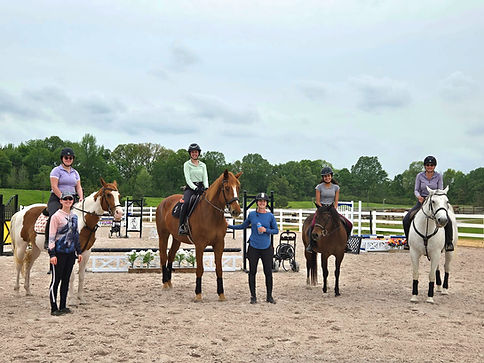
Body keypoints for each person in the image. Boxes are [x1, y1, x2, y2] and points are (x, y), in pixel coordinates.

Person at [227, 193, 279, 304]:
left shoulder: (270, 216)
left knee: (268, 272)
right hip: (254, 247)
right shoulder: (252, 215)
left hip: (266, 247)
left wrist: (266, 230)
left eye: (264, 201)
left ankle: (269, 296)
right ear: (257, 203)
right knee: (252, 272)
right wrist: (229, 226)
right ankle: (253, 296)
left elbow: (276, 230)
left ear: (266, 203)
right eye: (260, 201)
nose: (262, 203)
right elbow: (243, 226)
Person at [402, 156, 454, 251]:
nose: (430, 166)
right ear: (425, 166)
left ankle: (449, 243)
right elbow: (416, 190)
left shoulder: (438, 176)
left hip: (435, 201)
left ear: (434, 166)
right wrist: (419, 197)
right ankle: (407, 241)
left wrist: (436, 198)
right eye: (428, 165)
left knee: (448, 220)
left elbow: (440, 190)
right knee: (406, 219)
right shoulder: (419, 176)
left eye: (432, 165)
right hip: (422, 201)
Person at [48, 192, 82, 316]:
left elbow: (76, 235)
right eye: (65, 199)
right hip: (59, 252)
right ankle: (53, 307)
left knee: (66, 280)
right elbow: (51, 237)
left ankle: (63, 305)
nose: (68, 201)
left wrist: (79, 251)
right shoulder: (56, 217)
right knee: (56, 280)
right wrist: (52, 254)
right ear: (61, 201)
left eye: (70, 199)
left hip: (70, 253)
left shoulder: (74, 217)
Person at [306, 166, 353, 253]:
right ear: (323, 177)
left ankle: (346, 243)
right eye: (325, 176)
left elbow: (336, 201)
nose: (327, 178)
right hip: (321, 209)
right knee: (312, 225)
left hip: (331, 209)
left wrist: (334, 209)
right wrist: (322, 209)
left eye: (328, 176)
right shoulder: (319, 187)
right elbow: (318, 201)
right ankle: (311, 245)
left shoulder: (336, 187)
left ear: (331, 176)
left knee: (349, 224)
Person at [44, 147, 83, 249]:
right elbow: (54, 186)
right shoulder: (56, 170)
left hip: (71, 199)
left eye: (70, 158)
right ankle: (48, 240)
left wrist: (81, 198)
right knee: (53, 216)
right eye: (66, 157)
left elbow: (78, 187)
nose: (68, 159)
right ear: (62, 158)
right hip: (57, 198)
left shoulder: (75, 173)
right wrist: (62, 198)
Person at [178, 143, 209, 235]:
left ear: (198, 153)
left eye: (196, 152)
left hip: (202, 187)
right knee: (187, 202)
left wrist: (206, 187)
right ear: (190, 153)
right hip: (191, 188)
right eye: (192, 152)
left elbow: (205, 178)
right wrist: (195, 188)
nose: (194, 154)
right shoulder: (187, 164)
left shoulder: (203, 165)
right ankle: (182, 225)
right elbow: (188, 179)